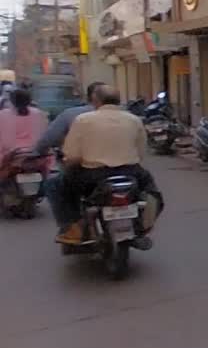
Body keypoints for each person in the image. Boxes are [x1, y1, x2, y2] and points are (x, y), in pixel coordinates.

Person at [55, 86, 153, 245]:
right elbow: (141, 152)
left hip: (93, 176)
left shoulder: (83, 119)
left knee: (60, 187)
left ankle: (73, 228)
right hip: (131, 172)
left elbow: (72, 155)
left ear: (96, 101)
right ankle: (144, 224)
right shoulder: (134, 119)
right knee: (152, 192)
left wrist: (71, 161)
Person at [35, 81, 105, 231]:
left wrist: (38, 152)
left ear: (91, 97)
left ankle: (70, 226)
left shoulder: (73, 115)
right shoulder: (127, 115)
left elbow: (50, 139)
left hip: (87, 169)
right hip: (126, 168)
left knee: (53, 185)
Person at [0, 88, 50, 177]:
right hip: (37, 155)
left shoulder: (3, 114)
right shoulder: (39, 114)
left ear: (12, 101)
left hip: (11, 156)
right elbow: (46, 136)